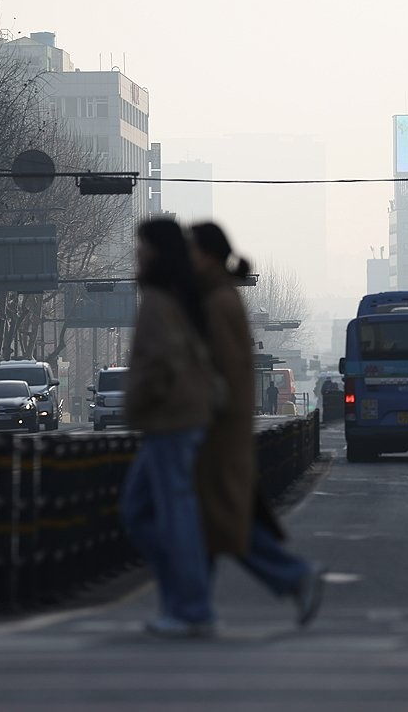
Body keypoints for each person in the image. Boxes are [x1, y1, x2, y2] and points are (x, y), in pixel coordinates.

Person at [188, 221, 326, 628]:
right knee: (216, 521)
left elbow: (226, 374)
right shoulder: (215, 298)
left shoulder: (217, 302)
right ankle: (192, 605)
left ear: (209, 255)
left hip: (215, 431)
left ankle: (193, 605)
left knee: (213, 519)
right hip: (216, 429)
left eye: (193, 251)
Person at [120, 218, 217, 638]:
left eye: (142, 245)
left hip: (170, 419)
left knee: (172, 514)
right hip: (180, 417)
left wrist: (137, 404)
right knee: (142, 510)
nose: (136, 253)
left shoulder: (159, 299)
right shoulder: (181, 294)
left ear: (157, 251)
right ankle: (181, 599)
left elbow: (159, 364)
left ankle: (190, 606)